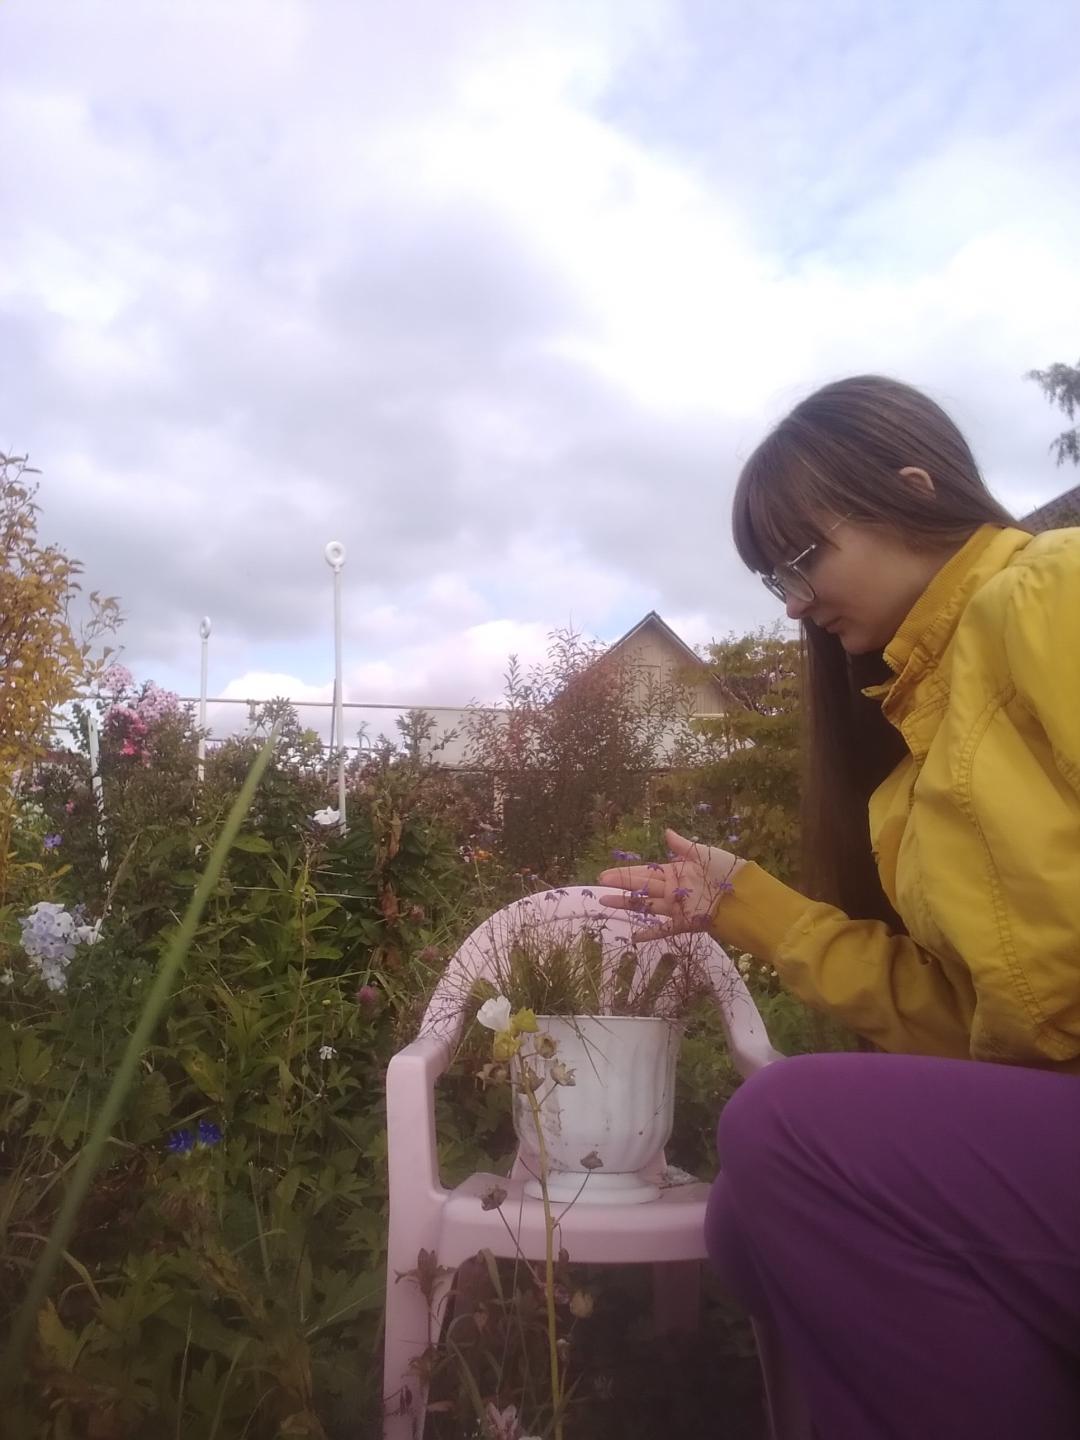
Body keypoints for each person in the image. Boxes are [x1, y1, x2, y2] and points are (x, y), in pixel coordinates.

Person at [597, 375, 1080, 1440]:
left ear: (914, 488)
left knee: (787, 1132)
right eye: (774, 577)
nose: (792, 602)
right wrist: (747, 903)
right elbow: (971, 1027)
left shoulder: (1051, 592)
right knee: (747, 1219)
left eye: (802, 557)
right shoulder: (910, 778)